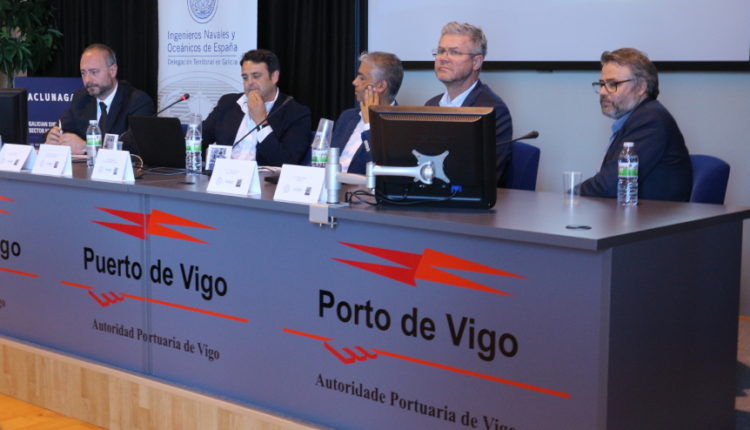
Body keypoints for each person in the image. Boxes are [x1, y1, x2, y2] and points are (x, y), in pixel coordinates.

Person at [580, 48, 692, 201]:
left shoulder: (651, 120)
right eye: (601, 84)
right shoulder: (635, 119)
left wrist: (571, 195)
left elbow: (610, 185)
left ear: (641, 87)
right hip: (627, 212)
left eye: (612, 84)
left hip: (654, 215)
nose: (603, 92)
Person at [426, 22, 513, 187]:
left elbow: (485, 177)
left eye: (454, 52)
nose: (443, 58)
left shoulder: (491, 111)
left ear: (476, 62)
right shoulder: (431, 105)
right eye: (441, 51)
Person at [202, 49, 311, 166]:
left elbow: (286, 162)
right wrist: (209, 158)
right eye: (245, 77)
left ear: (274, 77)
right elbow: (197, 142)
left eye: (256, 76)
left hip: (262, 177)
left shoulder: (296, 113)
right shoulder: (228, 103)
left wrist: (261, 122)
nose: (249, 82)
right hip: (224, 174)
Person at [45, 44, 155, 154]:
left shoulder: (137, 101)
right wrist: (53, 137)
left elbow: (136, 147)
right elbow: (61, 128)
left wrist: (86, 147)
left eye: (94, 72)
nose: (87, 80)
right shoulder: (81, 98)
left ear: (112, 71)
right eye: (83, 73)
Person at [330, 51, 403, 174]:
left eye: (362, 78)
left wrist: (369, 125)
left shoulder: (400, 125)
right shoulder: (347, 117)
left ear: (380, 86)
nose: (354, 82)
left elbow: (377, 170)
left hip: (361, 186)